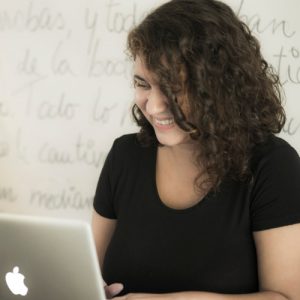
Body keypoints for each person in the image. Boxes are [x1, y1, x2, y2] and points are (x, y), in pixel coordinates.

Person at [92, 0, 300, 299]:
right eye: (143, 84)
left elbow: (286, 296)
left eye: (173, 88)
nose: (152, 106)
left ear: (219, 87)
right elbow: (89, 272)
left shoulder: (273, 165)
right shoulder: (125, 156)